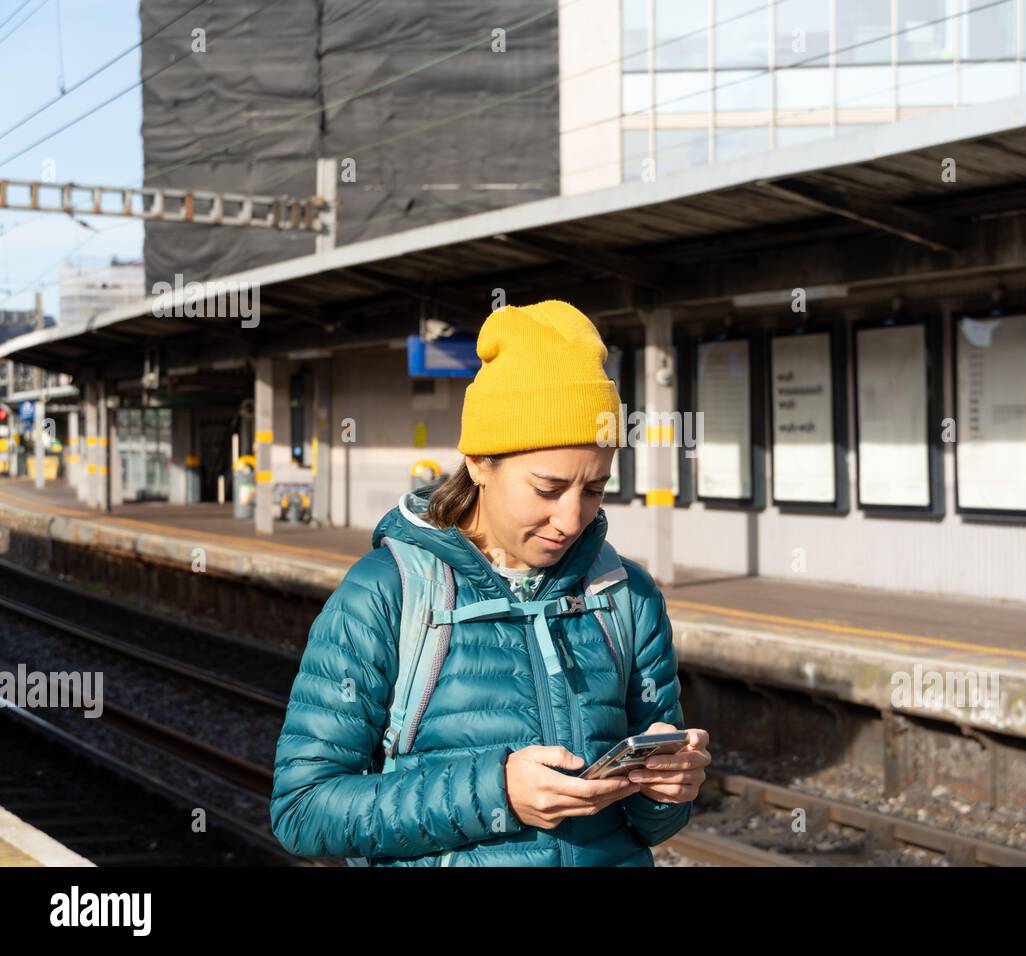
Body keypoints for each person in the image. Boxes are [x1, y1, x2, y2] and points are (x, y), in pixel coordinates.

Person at [269, 299, 710, 866]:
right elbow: (303, 811)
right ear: (480, 463)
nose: (573, 520)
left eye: (595, 489)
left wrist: (670, 788)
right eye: (547, 489)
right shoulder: (385, 594)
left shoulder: (628, 596)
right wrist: (496, 793)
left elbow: (651, 827)